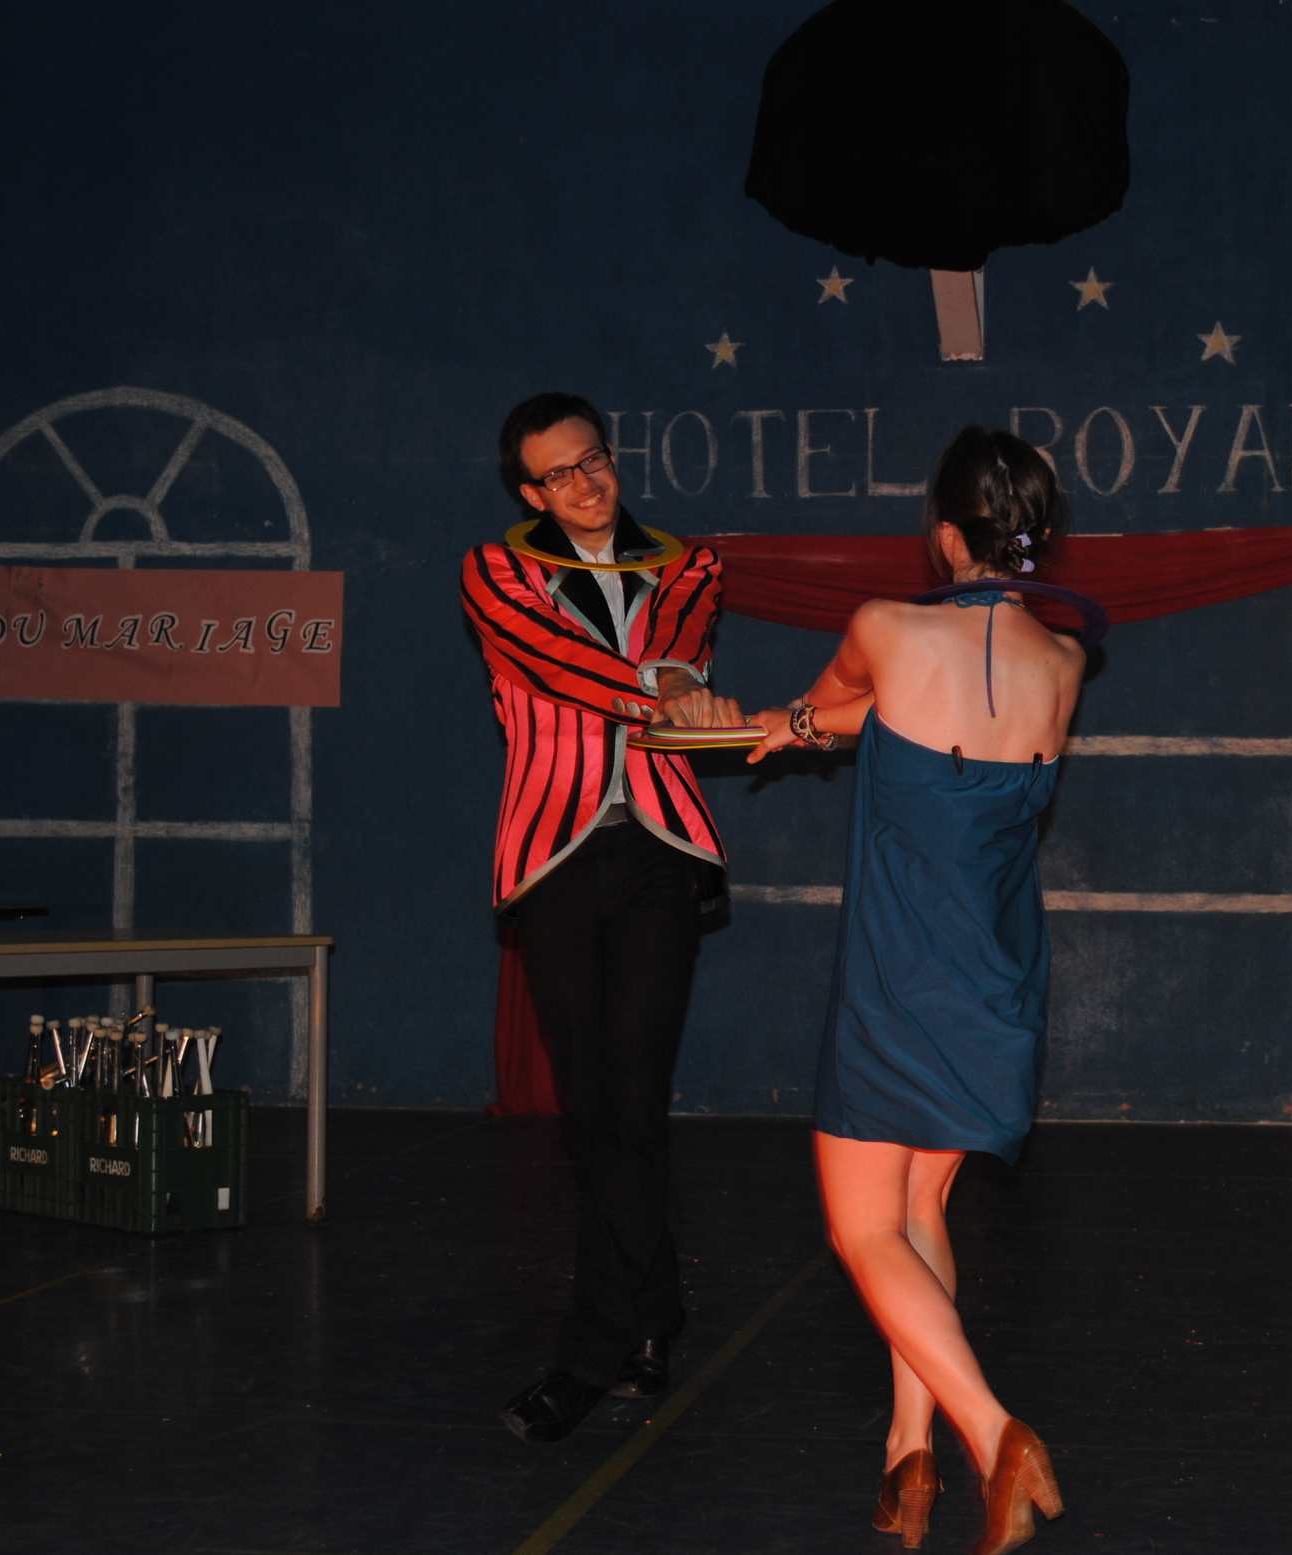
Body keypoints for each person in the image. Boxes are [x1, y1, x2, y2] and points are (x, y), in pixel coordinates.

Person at [747, 427, 1084, 1555]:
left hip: (898, 973)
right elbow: (906, 723)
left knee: (861, 1229)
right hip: (995, 977)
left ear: (944, 536)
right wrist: (802, 726)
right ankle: (910, 1452)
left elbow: (842, 703)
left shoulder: (884, 628)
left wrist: (784, 721)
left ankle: (993, 1436)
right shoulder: (1063, 663)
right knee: (918, 1212)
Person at [461, 391, 743, 1444]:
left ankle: (591, 1352)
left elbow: (674, 644)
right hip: (556, 858)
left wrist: (674, 688)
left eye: (593, 461)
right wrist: (663, 695)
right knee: (593, 1111)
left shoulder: (687, 564)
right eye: (558, 474)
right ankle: (653, 1313)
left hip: (660, 852)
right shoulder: (495, 571)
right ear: (528, 493)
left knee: (635, 1101)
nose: (584, 484)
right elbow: (558, 660)